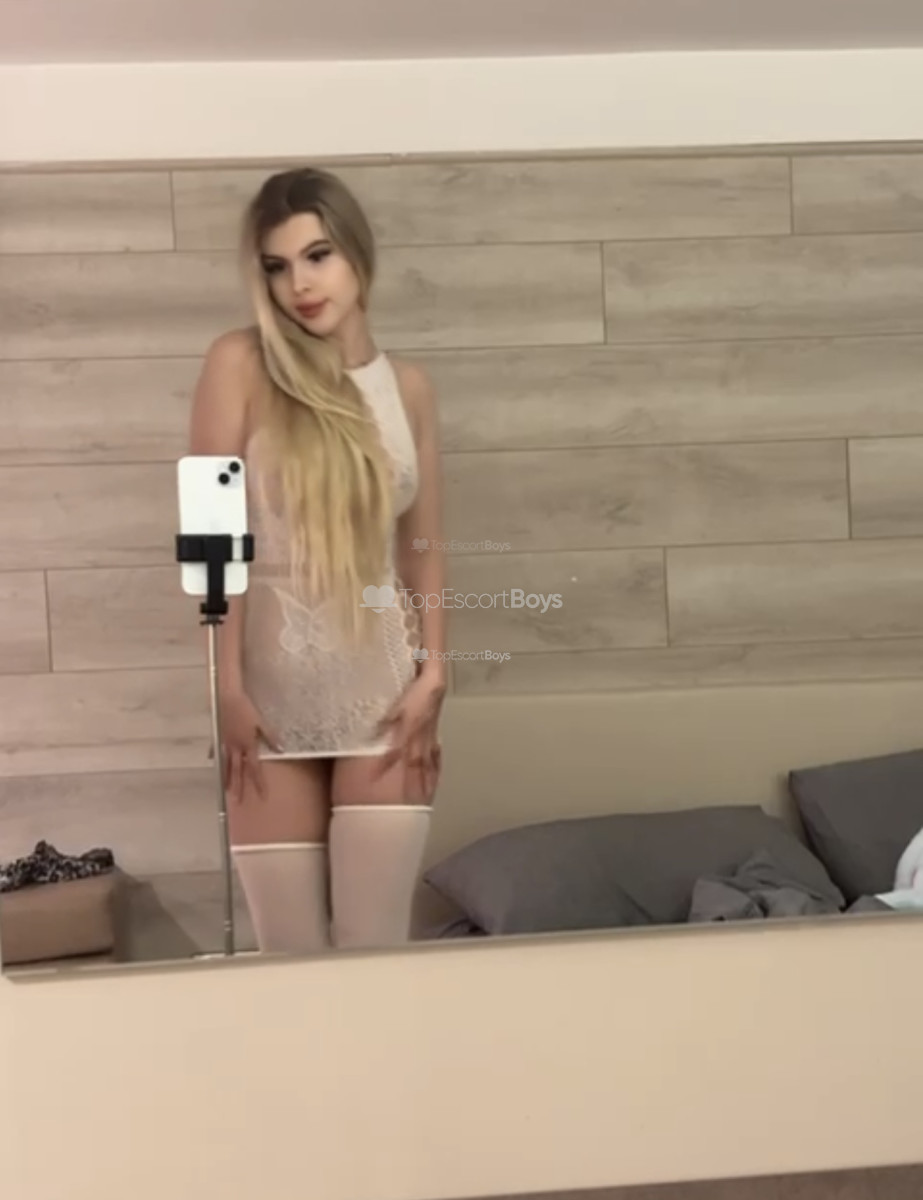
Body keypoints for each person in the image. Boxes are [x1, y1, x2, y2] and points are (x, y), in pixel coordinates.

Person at [187, 166, 447, 955]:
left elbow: (422, 546)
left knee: (373, 954)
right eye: (276, 265)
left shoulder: (408, 388)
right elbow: (212, 538)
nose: (298, 284)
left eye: (317, 256)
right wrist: (226, 686)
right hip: (265, 700)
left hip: (384, 691)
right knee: (289, 965)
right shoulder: (239, 362)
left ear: (357, 255)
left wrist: (435, 672)